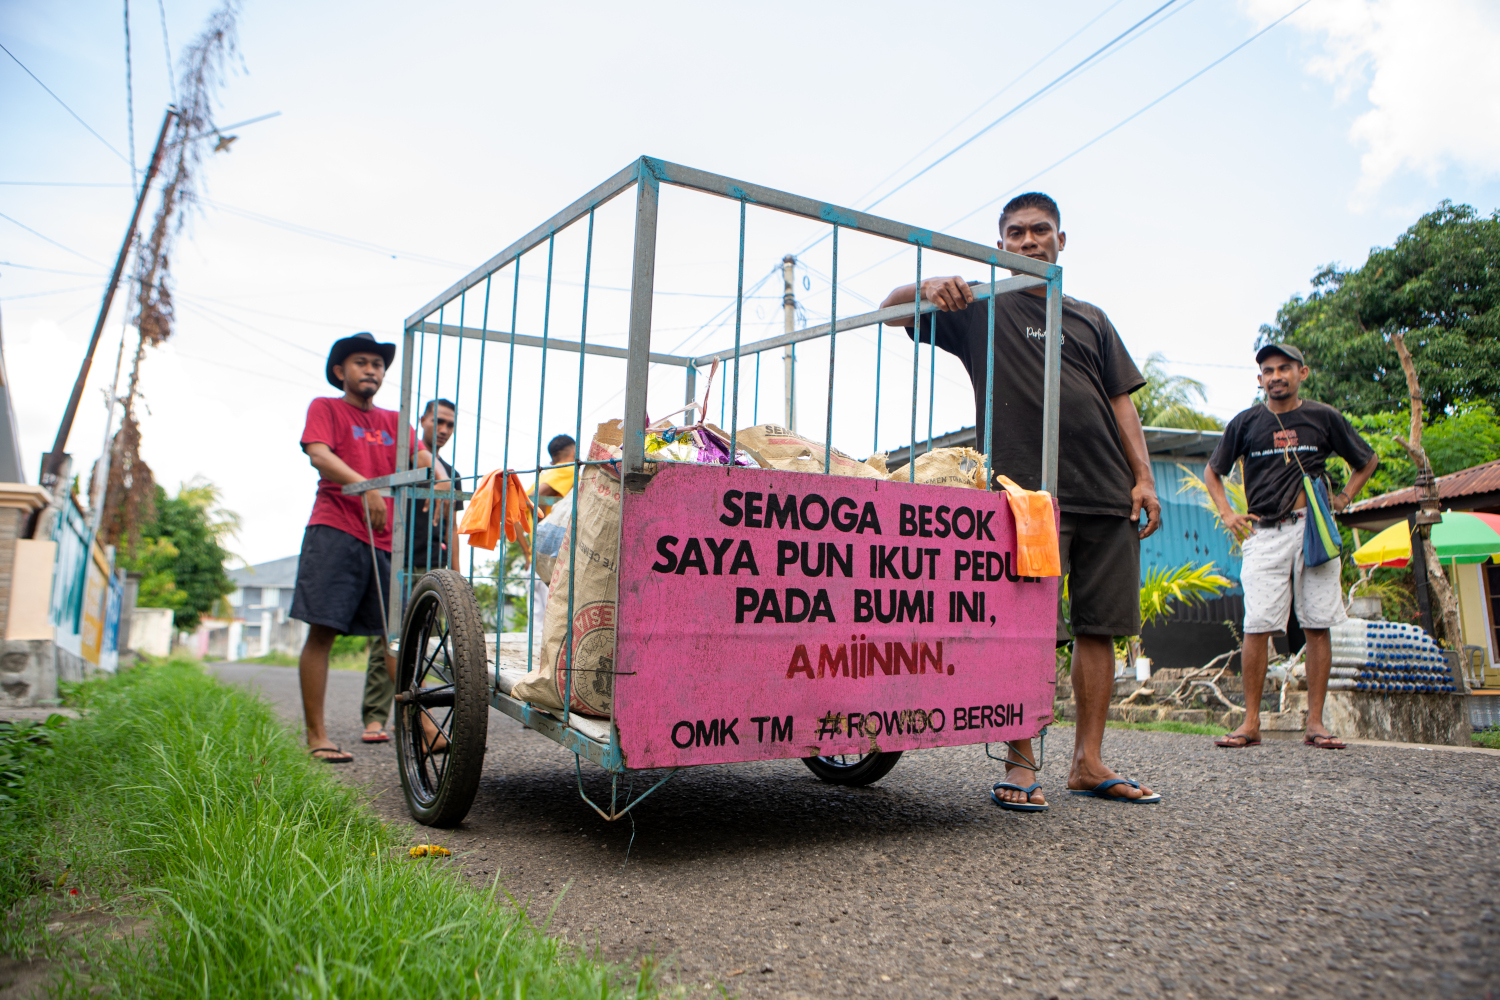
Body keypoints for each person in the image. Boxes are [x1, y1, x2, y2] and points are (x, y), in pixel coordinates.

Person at [878, 191, 1163, 809]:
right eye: (1017, 233)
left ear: (1063, 240)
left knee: (1100, 629)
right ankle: (1020, 762)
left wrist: (1142, 477)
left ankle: (1088, 762)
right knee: (1027, 627)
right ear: (1001, 244)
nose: (1030, 241)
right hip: (1024, 496)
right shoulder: (980, 308)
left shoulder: (1090, 317)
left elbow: (1121, 401)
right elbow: (890, 312)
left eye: (1041, 230)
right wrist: (931, 284)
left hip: (1106, 490)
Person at [1205, 344, 1379, 750]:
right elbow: (1214, 472)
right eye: (1268, 370)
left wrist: (1344, 498)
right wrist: (1228, 514)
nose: (1276, 376)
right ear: (1259, 379)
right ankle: (1250, 723)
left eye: (1284, 368)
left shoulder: (1323, 417)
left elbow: (1366, 460)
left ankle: (1316, 724)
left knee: (1317, 624)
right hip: (1264, 534)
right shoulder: (1246, 422)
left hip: (1312, 532)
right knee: (1256, 626)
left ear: (1302, 372)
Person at [291, 332, 427, 763]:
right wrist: (366, 488)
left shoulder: (394, 421)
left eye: (378, 364)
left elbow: (422, 458)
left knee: (393, 638)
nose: (372, 369)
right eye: (361, 362)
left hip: (384, 541)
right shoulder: (326, 407)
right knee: (322, 632)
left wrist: (439, 474)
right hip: (335, 529)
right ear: (340, 372)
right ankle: (317, 736)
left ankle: (422, 726)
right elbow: (318, 454)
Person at [362, 398, 461, 743]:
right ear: (423, 421)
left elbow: (453, 527)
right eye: (439, 422)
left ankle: (412, 717)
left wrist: (457, 573)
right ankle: (375, 718)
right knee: (388, 640)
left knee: (424, 645)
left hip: (434, 568)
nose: (444, 430)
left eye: (451, 425)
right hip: (398, 560)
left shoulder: (452, 475)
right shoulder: (404, 460)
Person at [537, 434, 576, 507]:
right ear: (574, 451)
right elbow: (537, 496)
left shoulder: (545, 474)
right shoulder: (570, 469)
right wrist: (544, 519)